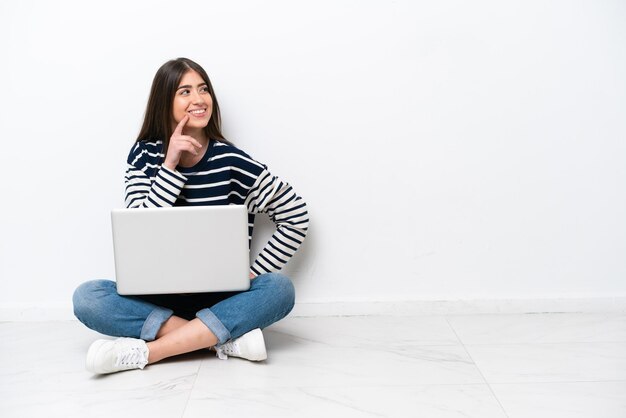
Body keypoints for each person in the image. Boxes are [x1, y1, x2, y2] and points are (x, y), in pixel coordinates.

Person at [72, 58, 309, 375]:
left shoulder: (231, 160)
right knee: (87, 297)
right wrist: (169, 167)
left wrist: (254, 272)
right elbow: (141, 228)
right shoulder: (145, 155)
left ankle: (149, 352)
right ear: (165, 102)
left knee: (280, 289)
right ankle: (221, 340)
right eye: (185, 91)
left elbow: (295, 214)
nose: (199, 99)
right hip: (157, 300)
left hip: (223, 298)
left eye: (203, 89)